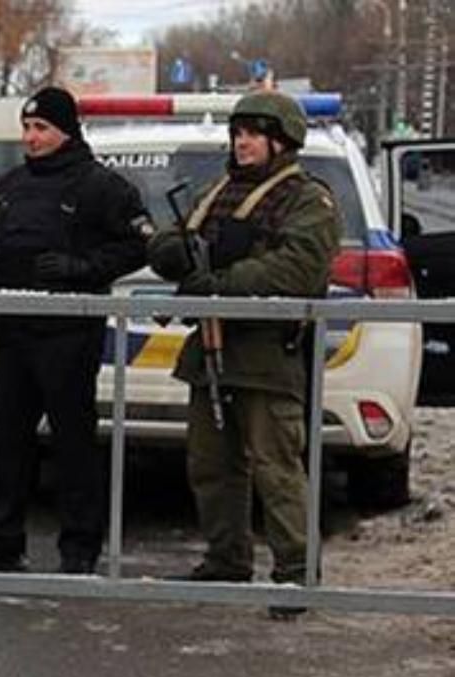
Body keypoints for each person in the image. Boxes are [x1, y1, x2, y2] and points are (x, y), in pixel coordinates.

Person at [147, 90, 341, 619]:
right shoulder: (218, 190)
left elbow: (298, 268)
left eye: (253, 133)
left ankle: (295, 576)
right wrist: (174, 254)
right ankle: (227, 557)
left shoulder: (307, 198)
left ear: (280, 140)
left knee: (276, 469)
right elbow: (171, 239)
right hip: (211, 349)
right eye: (238, 133)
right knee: (211, 464)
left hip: (266, 355)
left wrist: (222, 283)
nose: (243, 142)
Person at [0, 86, 151, 575]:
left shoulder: (101, 186)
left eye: (41, 129)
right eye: (27, 128)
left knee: (73, 444)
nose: (31, 138)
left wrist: (81, 268)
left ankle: (79, 548)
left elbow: (136, 247)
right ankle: (2, 540)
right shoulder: (12, 183)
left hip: (66, 335)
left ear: (66, 132)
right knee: (6, 442)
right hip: (11, 333)